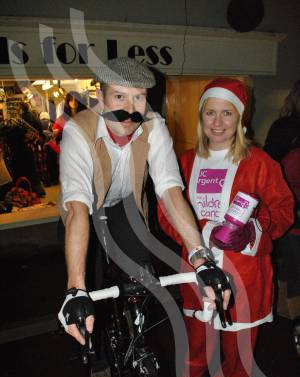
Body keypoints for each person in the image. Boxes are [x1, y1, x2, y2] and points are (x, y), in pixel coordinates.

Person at [57, 58, 231, 349]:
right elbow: (77, 209)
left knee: (142, 275)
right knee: (86, 285)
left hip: (126, 206)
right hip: (84, 210)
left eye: (139, 97)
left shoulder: (153, 124)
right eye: (119, 96)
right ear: (100, 98)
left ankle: (136, 330)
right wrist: (76, 287)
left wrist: (201, 258)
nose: (130, 108)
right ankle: (97, 356)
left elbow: (171, 192)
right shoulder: (78, 131)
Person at [158, 77, 294, 377]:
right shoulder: (185, 162)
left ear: (241, 120)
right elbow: (166, 211)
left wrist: (251, 232)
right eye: (210, 113)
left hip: (244, 272)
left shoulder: (260, 162)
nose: (217, 122)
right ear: (201, 118)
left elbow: (283, 211)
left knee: (238, 343)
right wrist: (201, 233)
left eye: (227, 114)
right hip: (197, 268)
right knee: (197, 334)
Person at [264, 80, 300, 352]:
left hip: (287, 213)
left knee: (290, 267)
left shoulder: (283, 128)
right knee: (293, 268)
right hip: (289, 214)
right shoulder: (286, 130)